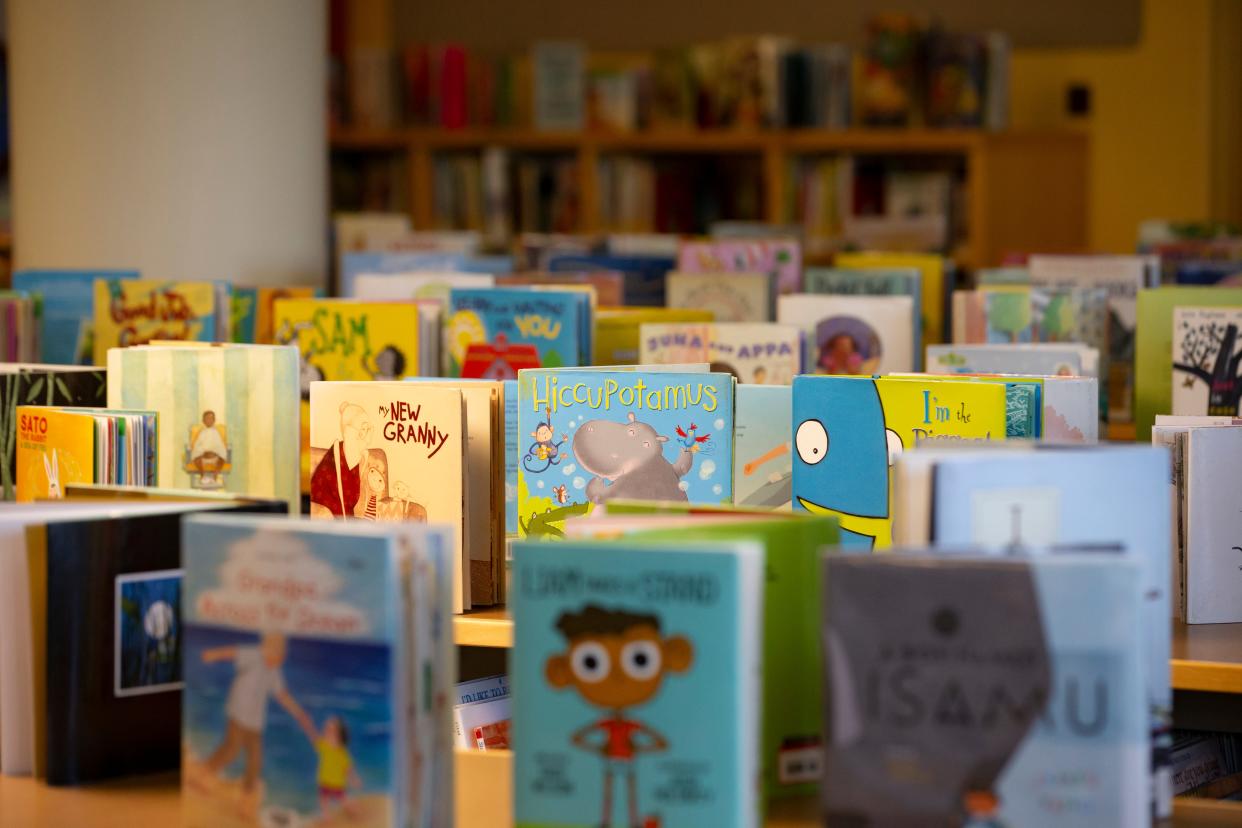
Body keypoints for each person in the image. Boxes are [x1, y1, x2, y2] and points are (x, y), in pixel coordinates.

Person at [198, 633, 313, 815]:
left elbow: (282, 694)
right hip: (238, 713)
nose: (278, 660)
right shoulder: (253, 654)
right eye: (276, 655)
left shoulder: (274, 670)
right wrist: (212, 654)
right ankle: (204, 773)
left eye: (281, 657)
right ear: (267, 649)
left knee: (255, 762)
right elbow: (232, 653)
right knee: (232, 749)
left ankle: (245, 801)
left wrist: (299, 713)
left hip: (255, 722)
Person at [310, 403, 372, 518]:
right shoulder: (334, 460)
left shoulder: (357, 457)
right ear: (349, 431)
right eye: (363, 428)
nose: (366, 434)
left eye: (368, 428)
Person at [306, 715, 362, 821]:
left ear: (339, 735)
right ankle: (326, 816)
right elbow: (312, 735)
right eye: (325, 729)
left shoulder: (342, 752)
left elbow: (348, 767)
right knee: (323, 800)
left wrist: (354, 779)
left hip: (337, 782)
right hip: (324, 780)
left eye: (330, 730)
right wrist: (308, 725)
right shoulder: (323, 745)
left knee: (343, 800)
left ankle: (354, 810)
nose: (326, 732)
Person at [188, 411, 228, 486]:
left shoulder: (216, 432)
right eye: (207, 419)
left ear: (214, 420)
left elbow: (219, 445)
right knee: (196, 458)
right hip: (203, 457)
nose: (209, 420)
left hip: (215, 457)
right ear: (203, 421)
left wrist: (214, 451)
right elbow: (197, 445)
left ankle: (214, 476)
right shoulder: (202, 432)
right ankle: (203, 476)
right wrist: (203, 451)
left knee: (222, 458)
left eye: (211, 418)